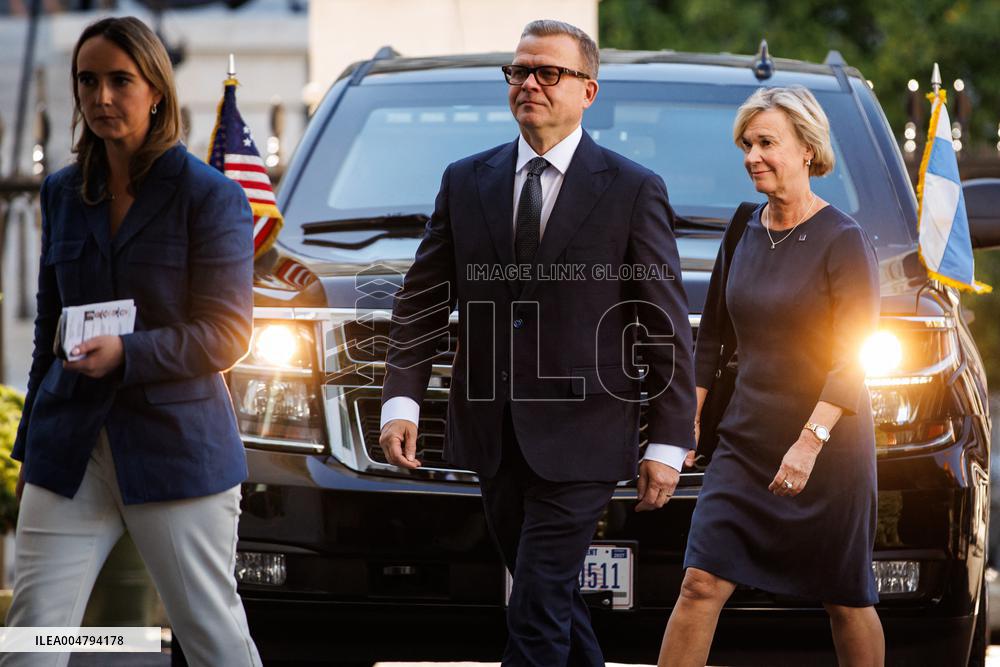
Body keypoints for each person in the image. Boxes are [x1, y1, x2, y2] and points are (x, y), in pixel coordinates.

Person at [378, 19, 696, 666]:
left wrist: (669, 437)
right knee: (548, 600)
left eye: (548, 72)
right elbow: (422, 298)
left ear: (588, 91)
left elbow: (662, 320)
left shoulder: (633, 189)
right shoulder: (466, 180)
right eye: (519, 71)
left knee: (534, 607)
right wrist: (402, 401)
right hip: (492, 433)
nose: (529, 83)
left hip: (585, 435)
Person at [2, 16, 262, 667]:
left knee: (212, 640)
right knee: (33, 639)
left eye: (121, 80)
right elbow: (49, 331)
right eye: (87, 81)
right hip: (70, 450)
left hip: (175, 451)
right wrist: (31, 445)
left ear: (156, 92)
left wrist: (129, 353)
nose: (102, 97)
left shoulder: (212, 197)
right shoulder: (63, 192)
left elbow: (227, 333)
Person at [657, 86, 884, 666]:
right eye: (746, 144)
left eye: (766, 143)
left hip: (826, 446)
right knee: (699, 584)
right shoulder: (743, 226)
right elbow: (712, 336)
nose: (752, 155)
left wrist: (810, 443)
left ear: (807, 149)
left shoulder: (843, 239)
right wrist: (691, 416)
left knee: (845, 598)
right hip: (746, 440)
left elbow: (853, 353)